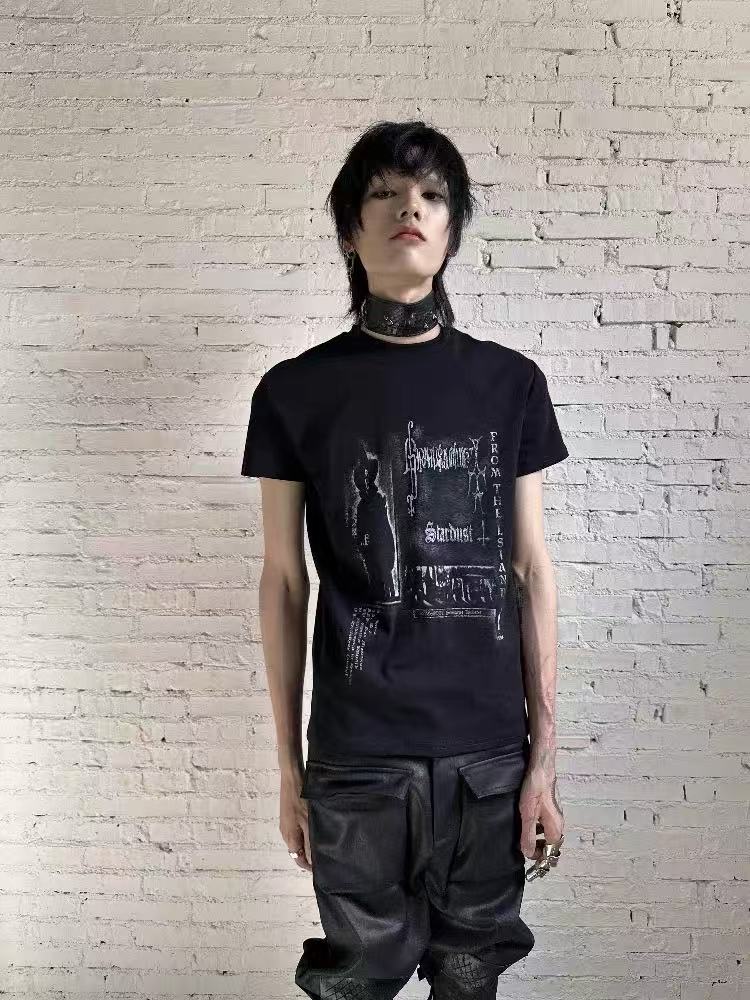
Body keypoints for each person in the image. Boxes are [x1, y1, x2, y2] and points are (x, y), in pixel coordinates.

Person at [241, 120, 568, 1000]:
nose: (408, 210)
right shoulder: (293, 390)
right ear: (350, 231)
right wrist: (288, 769)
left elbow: (530, 571)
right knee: (358, 982)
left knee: (471, 975)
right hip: (358, 757)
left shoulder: (511, 384)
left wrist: (542, 760)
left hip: (488, 753)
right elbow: (284, 581)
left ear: (452, 229)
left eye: (429, 196)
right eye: (384, 195)